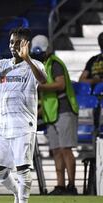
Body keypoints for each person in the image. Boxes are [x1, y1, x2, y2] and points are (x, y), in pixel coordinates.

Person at [0, 27, 47, 203]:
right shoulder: (2, 65)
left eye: (17, 42)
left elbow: (43, 79)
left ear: (26, 44)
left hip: (24, 124)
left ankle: (22, 201)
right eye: (11, 42)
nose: (13, 45)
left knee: (23, 169)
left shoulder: (35, 65)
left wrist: (27, 58)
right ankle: (16, 193)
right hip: (5, 124)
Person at [32, 35, 79, 195]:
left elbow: (61, 84)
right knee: (56, 150)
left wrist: (40, 88)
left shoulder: (55, 63)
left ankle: (72, 185)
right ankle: (60, 185)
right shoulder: (43, 64)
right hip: (51, 113)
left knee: (66, 149)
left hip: (64, 110)